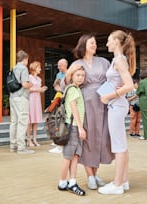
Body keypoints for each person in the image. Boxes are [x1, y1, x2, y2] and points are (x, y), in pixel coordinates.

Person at [62, 33, 113, 190]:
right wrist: (70, 73)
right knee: (87, 138)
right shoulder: (76, 63)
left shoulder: (104, 62)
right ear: (83, 45)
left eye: (95, 43)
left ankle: (95, 172)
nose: (94, 45)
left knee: (102, 138)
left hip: (102, 103)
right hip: (84, 104)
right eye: (91, 43)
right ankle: (90, 175)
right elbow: (65, 86)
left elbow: (112, 80)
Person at [98, 30, 136, 195]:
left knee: (119, 147)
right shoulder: (119, 60)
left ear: (116, 42)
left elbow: (129, 86)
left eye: (109, 40)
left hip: (116, 105)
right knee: (122, 146)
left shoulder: (119, 60)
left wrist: (108, 96)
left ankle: (118, 184)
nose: (107, 44)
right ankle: (124, 181)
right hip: (117, 105)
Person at [58, 66, 86, 196]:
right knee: (68, 156)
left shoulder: (76, 89)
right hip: (73, 127)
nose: (81, 77)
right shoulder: (73, 89)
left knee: (75, 156)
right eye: (78, 75)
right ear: (72, 76)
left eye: (82, 75)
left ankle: (72, 181)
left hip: (75, 126)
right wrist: (80, 128)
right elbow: (73, 108)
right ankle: (63, 182)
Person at [9, 50, 34, 154]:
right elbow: (24, 84)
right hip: (21, 97)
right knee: (22, 121)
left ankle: (13, 145)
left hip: (13, 97)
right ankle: (21, 147)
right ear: (25, 59)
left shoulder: (13, 68)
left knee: (14, 122)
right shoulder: (23, 69)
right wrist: (30, 84)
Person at [49, 58, 68, 154]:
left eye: (60, 65)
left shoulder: (69, 74)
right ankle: (59, 140)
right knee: (58, 119)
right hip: (60, 98)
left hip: (67, 99)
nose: (58, 67)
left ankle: (62, 143)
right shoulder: (58, 74)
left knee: (63, 120)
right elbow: (55, 85)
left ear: (65, 65)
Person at [27, 61, 47, 147]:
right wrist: (38, 89)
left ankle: (35, 138)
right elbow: (27, 90)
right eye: (39, 67)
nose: (40, 69)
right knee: (29, 121)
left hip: (37, 100)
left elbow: (38, 89)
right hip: (30, 99)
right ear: (34, 68)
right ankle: (28, 139)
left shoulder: (39, 79)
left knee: (35, 121)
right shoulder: (29, 77)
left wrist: (42, 89)